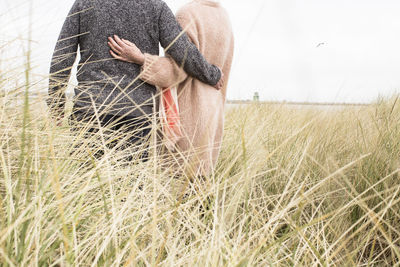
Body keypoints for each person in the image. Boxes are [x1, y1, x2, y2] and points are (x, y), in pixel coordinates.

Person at [48, 0, 224, 159]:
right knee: (131, 187)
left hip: (90, 111)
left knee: (86, 188)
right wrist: (212, 74)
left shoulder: (84, 3)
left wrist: (56, 105)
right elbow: (183, 50)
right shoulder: (156, 7)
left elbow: (62, 56)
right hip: (137, 115)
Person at [108, 0, 234, 175]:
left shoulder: (187, 14)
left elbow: (179, 68)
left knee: (177, 190)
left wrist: (141, 59)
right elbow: (223, 70)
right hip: (213, 114)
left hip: (188, 113)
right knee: (202, 188)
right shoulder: (223, 16)